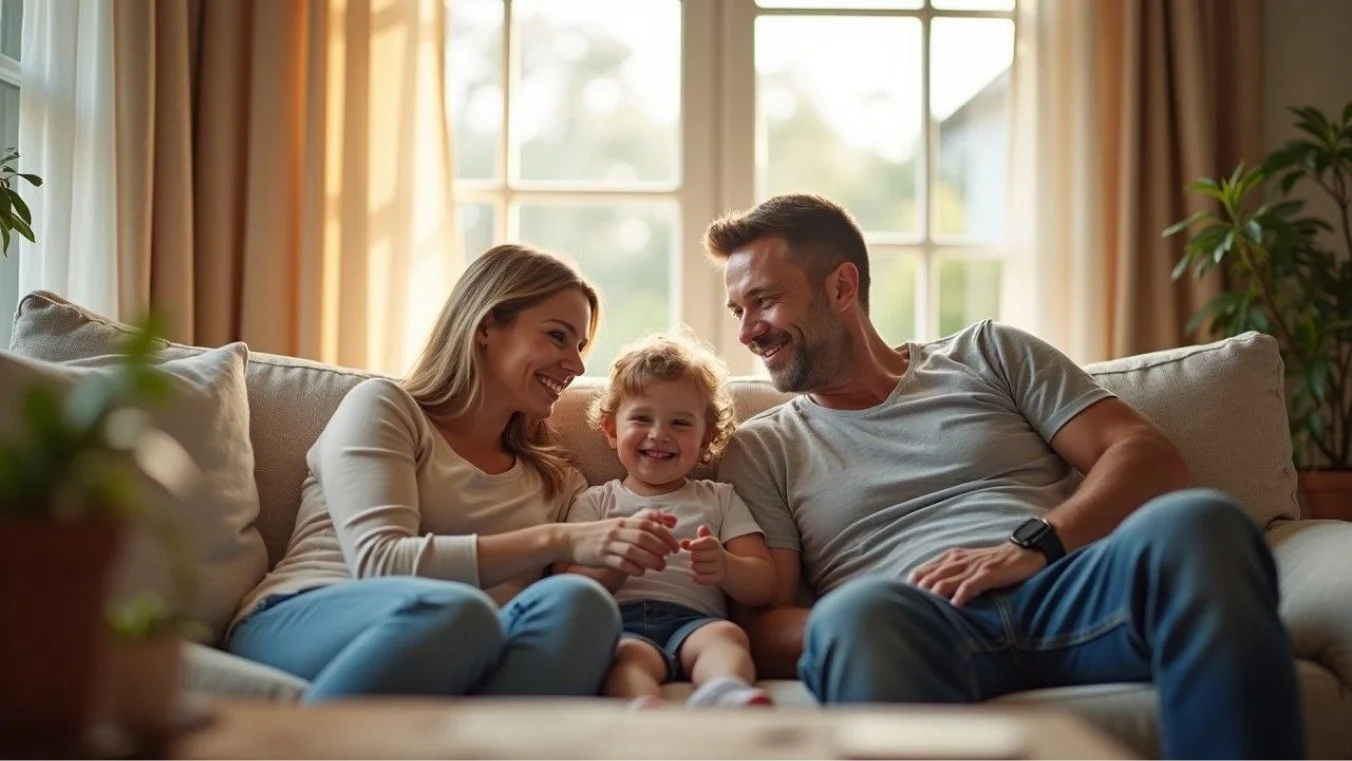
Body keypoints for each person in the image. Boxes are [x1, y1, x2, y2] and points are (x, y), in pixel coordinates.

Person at [704, 193, 1305, 759]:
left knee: (1202, 522)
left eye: (764, 300)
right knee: (854, 615)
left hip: (1066, 586)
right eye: (738, 310)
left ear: (841, 286)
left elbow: (1145, 455)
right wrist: (869, 613)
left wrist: (1035, 546)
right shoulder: (761, 448)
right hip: (917, 622)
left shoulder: (988, 354)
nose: (747, 331)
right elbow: (763, 619)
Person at [226, 243, 683, 702]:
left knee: (584, 606)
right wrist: (560, 539)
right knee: (460, 612)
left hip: (462, 648)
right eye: (558, 336)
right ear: (487, 326)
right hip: (301, 618)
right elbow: (380, 561)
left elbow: (553, 608)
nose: (578, 364)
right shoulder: (385, 408)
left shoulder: (556, 478)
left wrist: (622, 557)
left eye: (581, 345)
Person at [559, 333, 777, 709]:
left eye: (680, 423)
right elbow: (566, 587)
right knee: (623, 657)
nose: (659, 434)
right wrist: (613, 568)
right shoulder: (594, 503)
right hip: (620, 625)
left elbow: (764, 583)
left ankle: (724, 693)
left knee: (726, 637)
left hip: (697, 622)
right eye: (642, 418)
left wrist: (726, 567)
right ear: (612, 430)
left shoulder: (719, 498)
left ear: (706, 436)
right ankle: (643, 707)